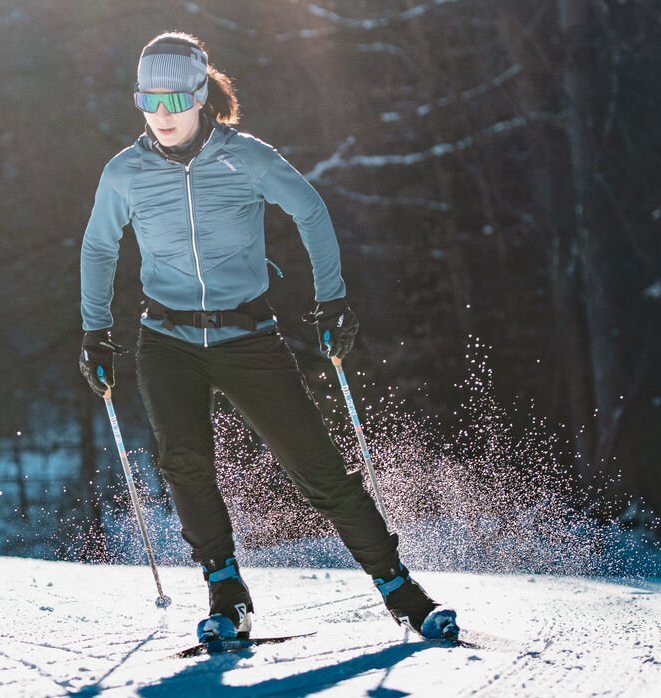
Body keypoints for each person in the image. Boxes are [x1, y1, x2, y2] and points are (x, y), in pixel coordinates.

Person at [76, 32, 457, 642]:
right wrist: (95, 332)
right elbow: (99, 246)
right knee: (184, 463)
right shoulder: (125, 171)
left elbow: (310, 211)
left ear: (200, 95)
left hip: (247, 337)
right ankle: (226, 596)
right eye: (149, 99)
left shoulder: (245, 156)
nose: (161, 114)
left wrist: (330, 300)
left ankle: (401, 592)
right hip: (165, 340)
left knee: (317, 469)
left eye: (175, 99)